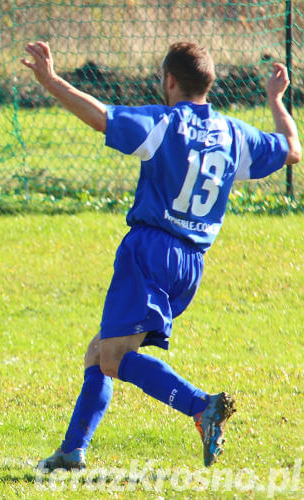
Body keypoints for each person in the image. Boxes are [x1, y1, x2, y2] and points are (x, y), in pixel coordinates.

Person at [21, 40, 300, 468]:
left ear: (169, 81)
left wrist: (51, 80)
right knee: (100, 350)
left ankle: (199, 406)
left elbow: (101, 117)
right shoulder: (234, 134)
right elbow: (292, 148)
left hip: (151, 250)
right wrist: (275, 101)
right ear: (208, 84)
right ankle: (73, 450)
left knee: (113, 357)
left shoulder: (166, 123)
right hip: (191, 264)